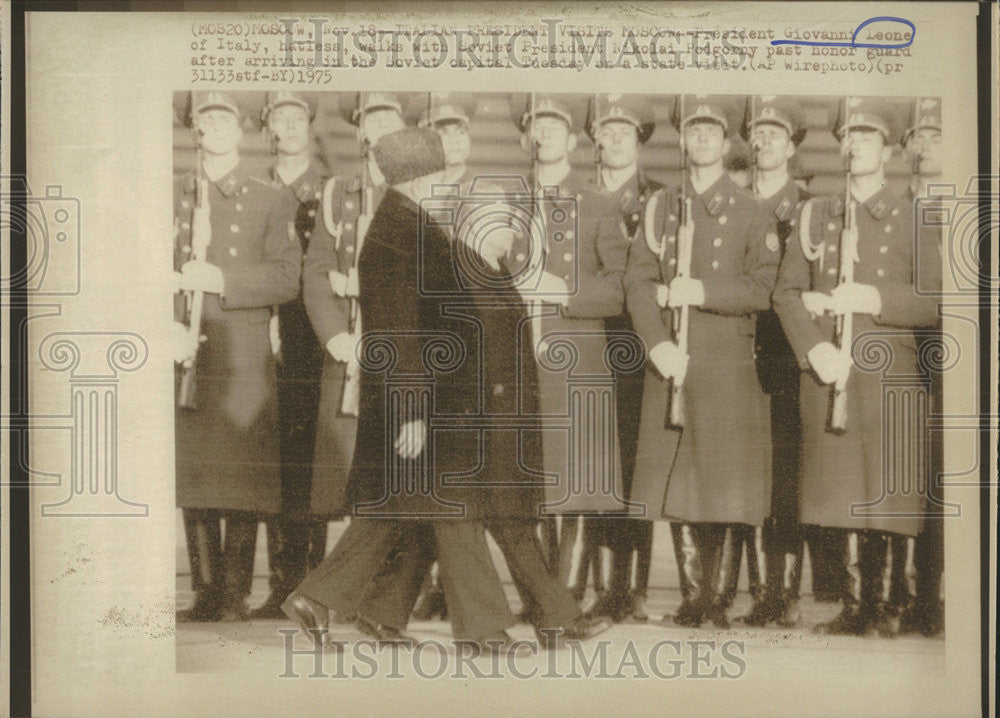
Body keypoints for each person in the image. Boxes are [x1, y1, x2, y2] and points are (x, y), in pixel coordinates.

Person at [283, 127, 533, 656]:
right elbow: (401, 335)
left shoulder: (407, 226)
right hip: (419, 403)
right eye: (442, 175)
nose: (448, 184)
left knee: (397, 513)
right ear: (422, 180)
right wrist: (414, 413)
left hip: (430, 400)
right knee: (451, 509)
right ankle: (484, 629)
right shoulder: (401, 235)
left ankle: (332, 602)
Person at [772, 97, 941, 636]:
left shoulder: (913, 216)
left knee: (888, 492)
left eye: (866, 137)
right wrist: (814, 349)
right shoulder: (817, 214)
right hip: (833, 370)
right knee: (841, 491)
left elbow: (934, 301)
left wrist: (872, 297)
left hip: (891, 375)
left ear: (889, 151)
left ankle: (890, 604)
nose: (855, 145)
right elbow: (785, 291)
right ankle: (853, 605)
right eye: (848, 136)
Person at [626, 94, 779, 629]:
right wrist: (655, 342)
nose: (705, 138)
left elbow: (762, 288)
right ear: (683, 140)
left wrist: (702, 289)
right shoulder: (661, 207)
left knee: (723, 482)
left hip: (726, 363)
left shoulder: (752, 210)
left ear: (728, 140)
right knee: (679, 480)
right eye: (695, 130)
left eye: (713, 130)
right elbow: (638, 281)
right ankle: (694, 598)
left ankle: (718, 599)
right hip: (672, 360)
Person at [173, 90, 301, 621]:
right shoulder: (175, 194)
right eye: (206, 118)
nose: (215, 127)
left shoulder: (270, 198)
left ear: (243, 131)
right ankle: (205, 592)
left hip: (244, 351)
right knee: (195, 473)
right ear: (194, 129)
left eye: (226, 118)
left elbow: (285, 278)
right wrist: (168, 324)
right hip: (188, 347)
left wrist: (220, 279)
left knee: (244, 477)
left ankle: (233, 592)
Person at [505, 93, 631, 602]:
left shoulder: (599, 205)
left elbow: (620, 288)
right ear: (524, 138)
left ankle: (569, 597)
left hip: (578, 359)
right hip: (520, 361)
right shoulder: (506, 204)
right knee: (530, 484)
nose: (544, 134)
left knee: (577, 484)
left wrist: (561, 290)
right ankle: (539, 597)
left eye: (554, 126)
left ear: (575, 140)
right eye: (535, 125)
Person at [247, 90, 333, 619]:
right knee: (270, 457)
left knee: (307, 458)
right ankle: (280, 579)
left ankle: (312, 582)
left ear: (310, 126)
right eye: (279, 118)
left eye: (298, 117)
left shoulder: (330, 191)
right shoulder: (254, 190)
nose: (289, 126)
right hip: (260, 327)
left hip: (309, 333)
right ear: (268, 129)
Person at [577, 93, 662, 623]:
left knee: (634, 463)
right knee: (593, 465)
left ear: (639, 141)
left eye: (624, 133)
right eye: (605, 132)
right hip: (584, 339)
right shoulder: (576, 196)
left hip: (635, 344)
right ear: (594, 138)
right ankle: (600, 583)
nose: (613, 140)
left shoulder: (658, 200)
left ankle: (632, 588)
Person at [730, 95, 815, 628]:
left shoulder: (808, 207)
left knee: (783, 474)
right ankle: (751, 587)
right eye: (757, 133)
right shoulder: (732, 204)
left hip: (782, 353)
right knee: (741, 471)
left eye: (775, 135)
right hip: (734, 351)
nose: (764, 142)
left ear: (792, 145)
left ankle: (780, 593)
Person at [897, 97, 945, 637]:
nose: (926, 145)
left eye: (936, 135)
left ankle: (933, 597)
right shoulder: (893, 204)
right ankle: (904, 595)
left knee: (942, 479)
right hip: (901, 350)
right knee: (907, 476)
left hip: (953, 356)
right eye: (919, 136)